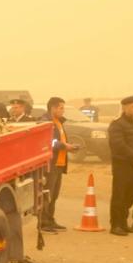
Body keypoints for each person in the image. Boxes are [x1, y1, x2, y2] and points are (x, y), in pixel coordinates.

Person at [106, 95, 133, 236]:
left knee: (131, 196)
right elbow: (119, 145)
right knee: (120, 195)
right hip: (123, 165)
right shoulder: (117, 124)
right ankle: (116, 225)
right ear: (124, 108)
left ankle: (124, 223)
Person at [38, 97, 78, 232]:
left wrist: (68, 146)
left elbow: (59, 140)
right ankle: (43, 223)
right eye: (61, 108)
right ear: (53, 108)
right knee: (47, 194)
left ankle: (50, 220)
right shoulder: (45, 122)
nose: (63, 110)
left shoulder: (58, 122)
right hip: (50, 164)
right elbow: (49, 141)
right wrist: (64, 146)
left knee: (54, 195)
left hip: (59, 163)